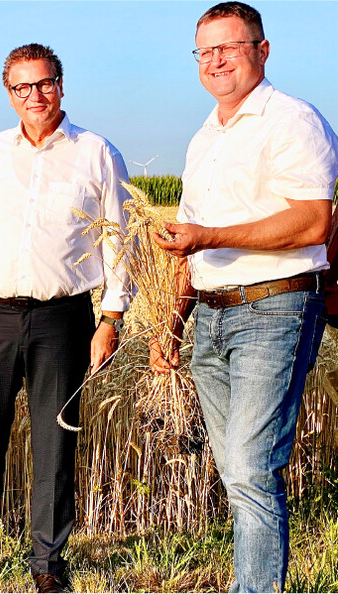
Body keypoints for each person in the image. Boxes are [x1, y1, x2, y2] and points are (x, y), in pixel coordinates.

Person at [149, 3, 338, 591]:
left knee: (253, 468)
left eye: (229, 47)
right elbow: (189, 244)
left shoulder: (292, 121)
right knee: (236, 471)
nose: (216, 61)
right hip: (210, 315)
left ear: (262, 49)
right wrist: (171, 322)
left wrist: (210, 236)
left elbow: (312, 223)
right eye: (205, 51)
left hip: (274, 308)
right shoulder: (205, 136)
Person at [0, 44, 132, 593]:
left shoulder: (97, 153)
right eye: (22, 88)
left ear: (61, 85)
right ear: (9, 95)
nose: (35, 97)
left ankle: (48, 562)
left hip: (63, 318)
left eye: (43, 84)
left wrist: (111, 318)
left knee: (55, 440)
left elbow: (120, 242)